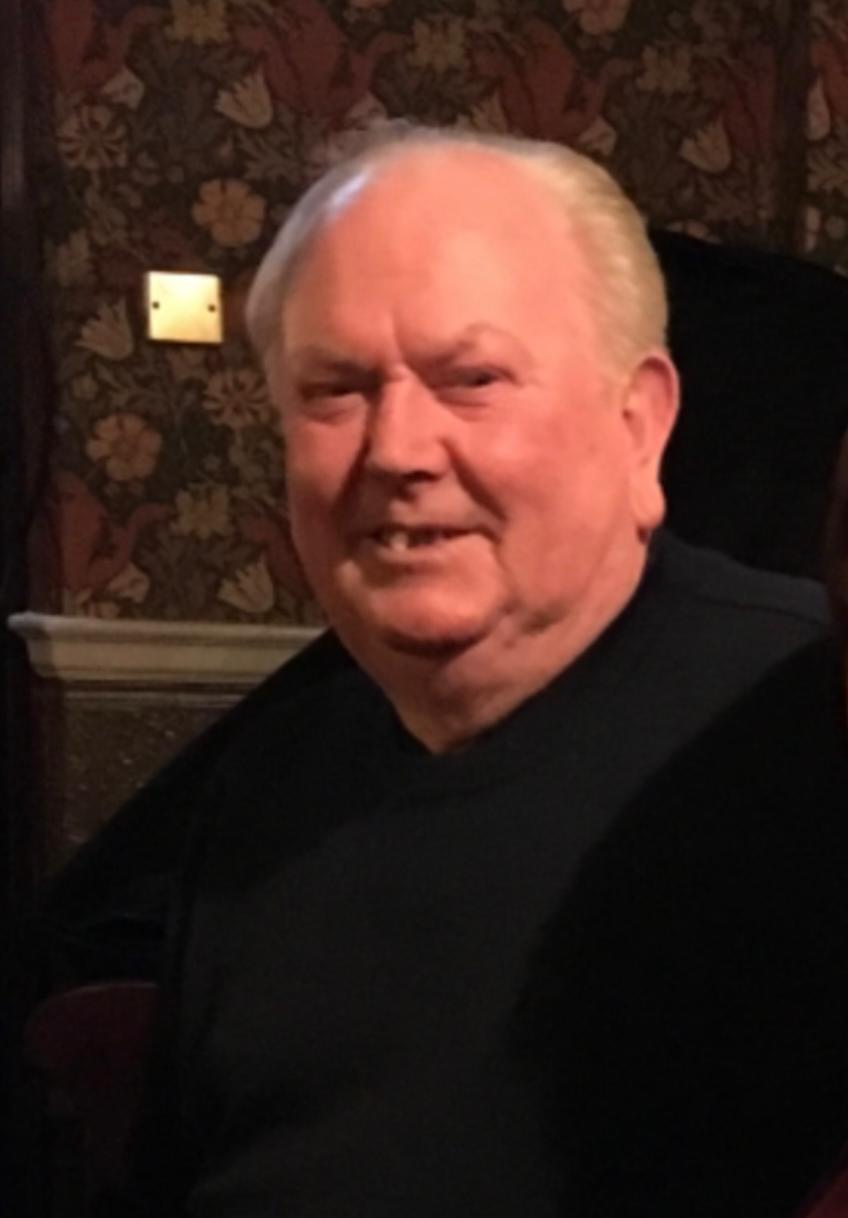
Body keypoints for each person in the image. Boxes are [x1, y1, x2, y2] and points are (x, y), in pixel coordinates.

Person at [41, 129, 836, 1217]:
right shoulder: (270, 779)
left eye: (471, 380)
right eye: (335, 389)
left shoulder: (808, 727)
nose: (398, 450)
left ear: (639, 424)